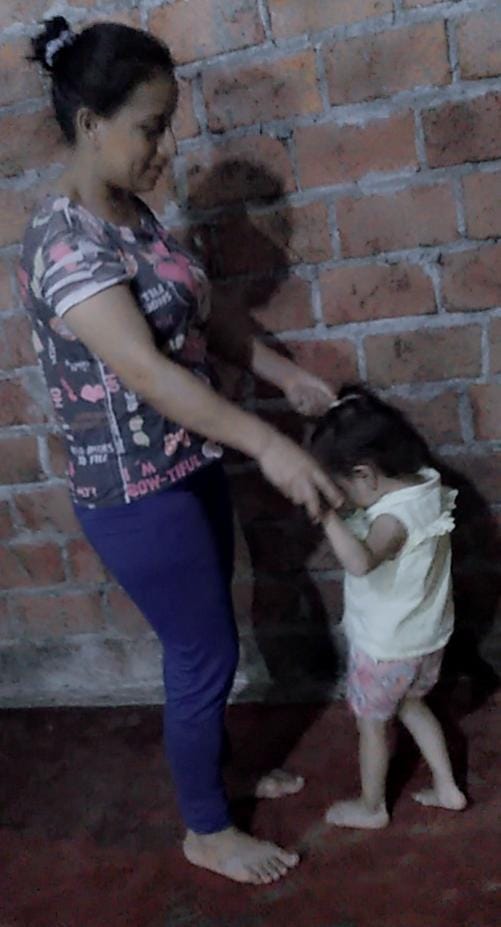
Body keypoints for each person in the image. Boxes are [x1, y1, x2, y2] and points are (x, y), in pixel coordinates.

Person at [21, 17, 343, 885]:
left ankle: (216, 774)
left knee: (211, 639)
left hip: (187, 463)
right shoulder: (63, 243)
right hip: (135, 492)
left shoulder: (130, 213)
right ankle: (205, 827)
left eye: (169, 126)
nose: (166, 149)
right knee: (202, 653)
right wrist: (267, 443)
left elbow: (204, 310)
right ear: (91, 122)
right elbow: (146, 373)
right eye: (150, 128)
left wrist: (282, 373)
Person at [311, 385, 467, 830]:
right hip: (427, 640)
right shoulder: (425, 483)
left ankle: (372, 806)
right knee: (413, 705)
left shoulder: (392, 520)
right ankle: (447, 787)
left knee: (372, 726)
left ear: (365, 473)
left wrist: (327, 517)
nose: (345, 498)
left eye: (345, 487)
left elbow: (361, 562)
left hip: (385, 649)